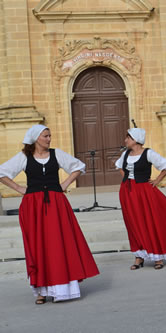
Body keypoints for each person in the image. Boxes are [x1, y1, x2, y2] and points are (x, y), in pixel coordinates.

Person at [0, 125, 99, 304]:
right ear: (36, 138)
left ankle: (62, 288)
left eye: (50, 135)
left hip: (56, 204)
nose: (49, 139)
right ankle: (40, 291)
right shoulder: (24, 157)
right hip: (33, 206)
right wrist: (18, 188)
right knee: (38, 246)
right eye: (46, 136)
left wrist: (65, 183)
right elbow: (2, 172)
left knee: (60, 242)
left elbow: (79, 166)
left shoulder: (56, 154)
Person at [115, 128, 166, 270]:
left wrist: (156, 181)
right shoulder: (125, 154)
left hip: (144, 192)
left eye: (128, 138)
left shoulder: (148, 153)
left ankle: (158, 256)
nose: (125, 140)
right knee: (133, 223)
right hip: (127, 193)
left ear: (136, 140)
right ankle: (139, 256)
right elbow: (119, 167)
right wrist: (128, 178)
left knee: (151, 221)